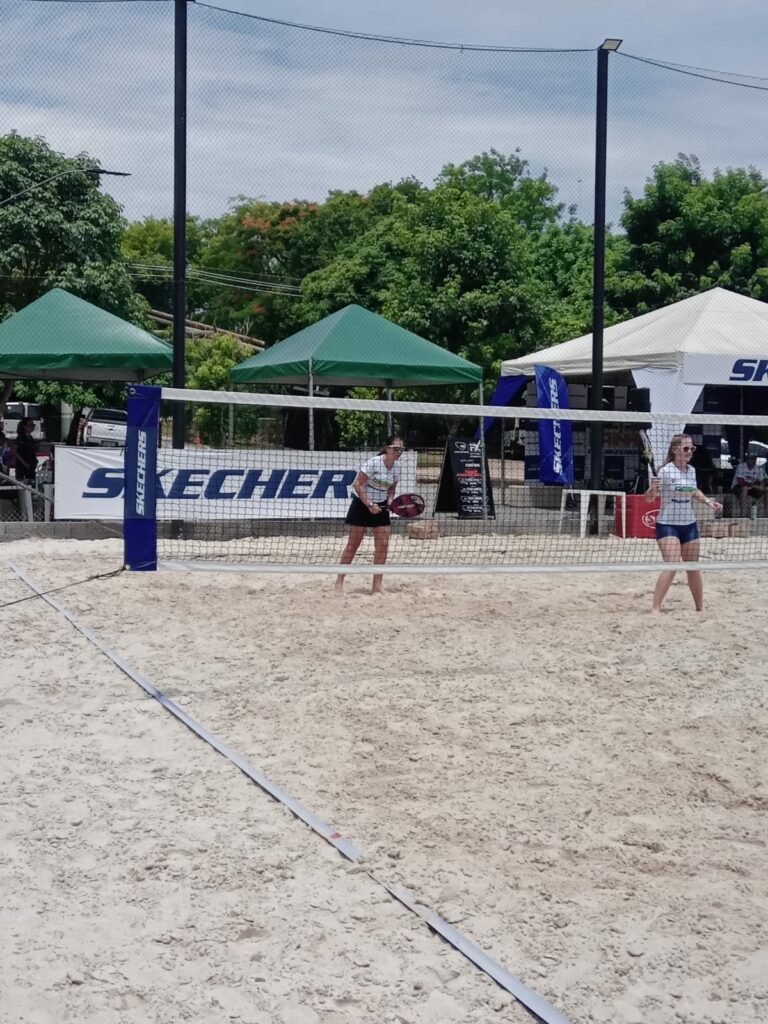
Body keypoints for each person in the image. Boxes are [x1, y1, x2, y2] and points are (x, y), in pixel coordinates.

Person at [645, 433, 722, 613]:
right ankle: (655, 608)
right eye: (686, 448)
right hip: (668, 524)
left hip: (689, 524)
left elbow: (694, 491)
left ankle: (699, 608)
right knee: (672, 564)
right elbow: (649, 499)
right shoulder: (665, 471)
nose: (690, 452)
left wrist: (710, 502)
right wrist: (652, 488)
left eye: (692, 448)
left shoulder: (691, 471)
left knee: (693, 567)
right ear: (675, 450)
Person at [334, 436, 405, 595]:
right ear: (387, 448)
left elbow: (392, 488)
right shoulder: (374, 462)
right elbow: (357, 485)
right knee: (353, 545)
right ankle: (339, 582)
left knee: (383, 545)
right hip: (362, 505)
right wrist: (370, 505)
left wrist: (391, 501)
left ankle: (377, 585)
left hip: (381, 507)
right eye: (396, 448)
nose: (398, 452)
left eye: (401, 449)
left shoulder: (397, 467)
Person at [731, 452, 766, 517]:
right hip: (738, 486)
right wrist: (753, 485)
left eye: (755, 459)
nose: (754, 461)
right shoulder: (741, 466)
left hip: (752, 487)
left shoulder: (758, 468)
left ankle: (766, 513)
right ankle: (743, 514)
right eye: (752, 459)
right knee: (745, 488)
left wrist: (761, 486)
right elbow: (740, 481)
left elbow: (762, 480)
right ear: (747, 459)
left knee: (766, 490)